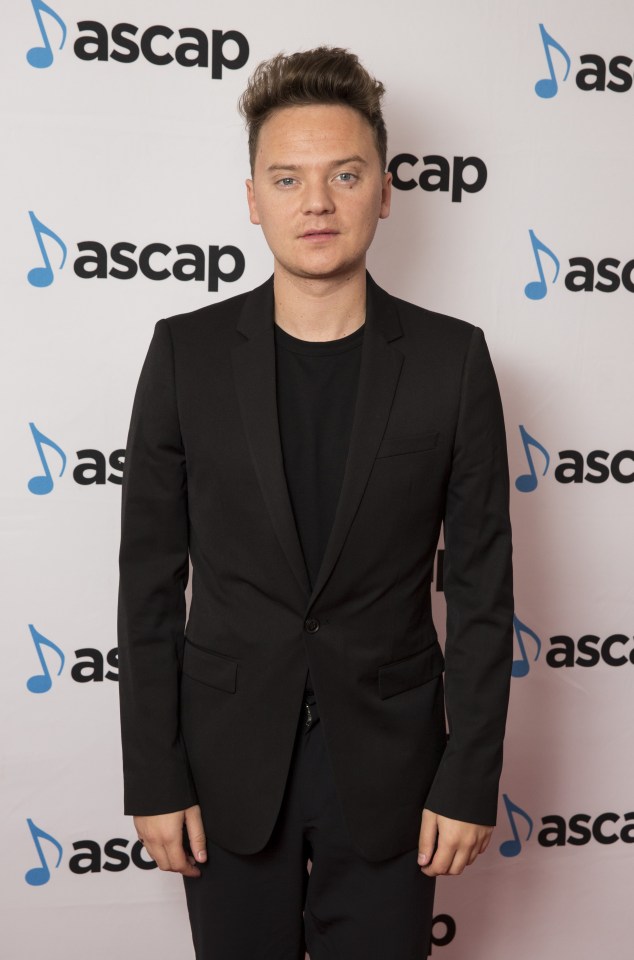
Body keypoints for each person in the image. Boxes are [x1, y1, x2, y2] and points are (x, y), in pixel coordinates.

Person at [117, 46, 514, 960]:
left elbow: (485, 594)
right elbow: (147, 585)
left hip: (394, 774)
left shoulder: (454, 363)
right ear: (252, 198)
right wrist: (153, 772)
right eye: (287, 178)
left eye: (344, 174)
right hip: (221, 770)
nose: (317, 203)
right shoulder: (184, 355)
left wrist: (469, 777)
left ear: (384, 189)